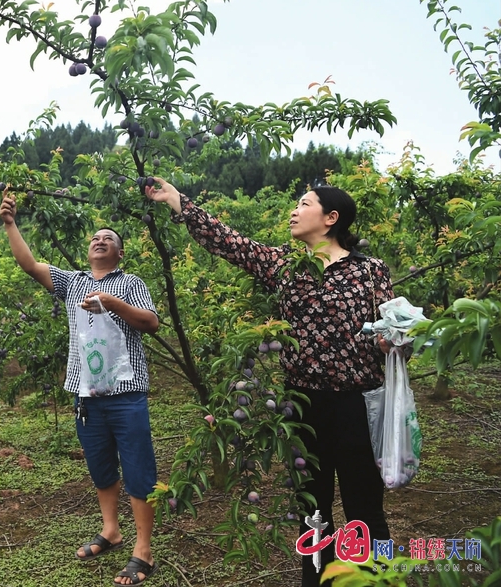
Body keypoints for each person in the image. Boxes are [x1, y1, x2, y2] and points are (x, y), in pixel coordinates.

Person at [145, 178, 392, 587]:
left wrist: (394, 341)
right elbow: (230, 242)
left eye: (304, 203)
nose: (295, 210)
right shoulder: (286, 264)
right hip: (303, 405)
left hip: (356, 403)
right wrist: (177, 202)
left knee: (365, 505)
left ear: (331, 218)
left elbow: (392, 329)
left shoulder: (369, 270)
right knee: (312, 508)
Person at [0, 193, 161, 587]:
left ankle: (143, 550)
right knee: (101, 467)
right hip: (87, 395)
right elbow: (30, 264)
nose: (100, 240)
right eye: (95, 237)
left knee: (139, 470)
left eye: (109, 238)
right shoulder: (73, 283)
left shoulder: (130, 283)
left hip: (126, 393)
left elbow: (151, 323)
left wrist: (112, 303)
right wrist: (9, 224)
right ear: (89, 251)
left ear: (119, 253)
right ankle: (111, 530)